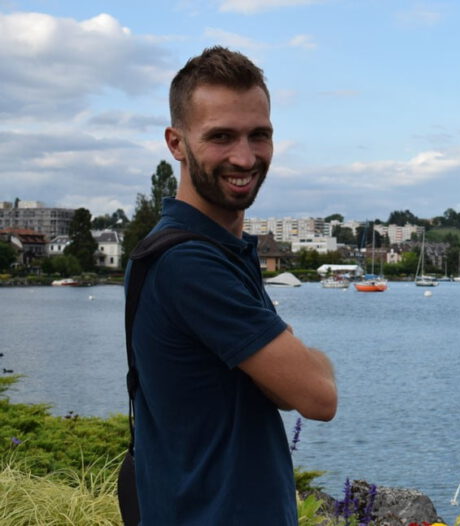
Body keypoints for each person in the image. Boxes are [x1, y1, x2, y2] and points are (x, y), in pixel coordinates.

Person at [127, 46, 337, 524]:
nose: (244, 157)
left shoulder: (207, 248)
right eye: (221, 136)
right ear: (176, 143)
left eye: (258, 135)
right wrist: (305, 359)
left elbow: (286, 391)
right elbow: (316, 396)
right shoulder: (190, 263)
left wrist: (290, 367)